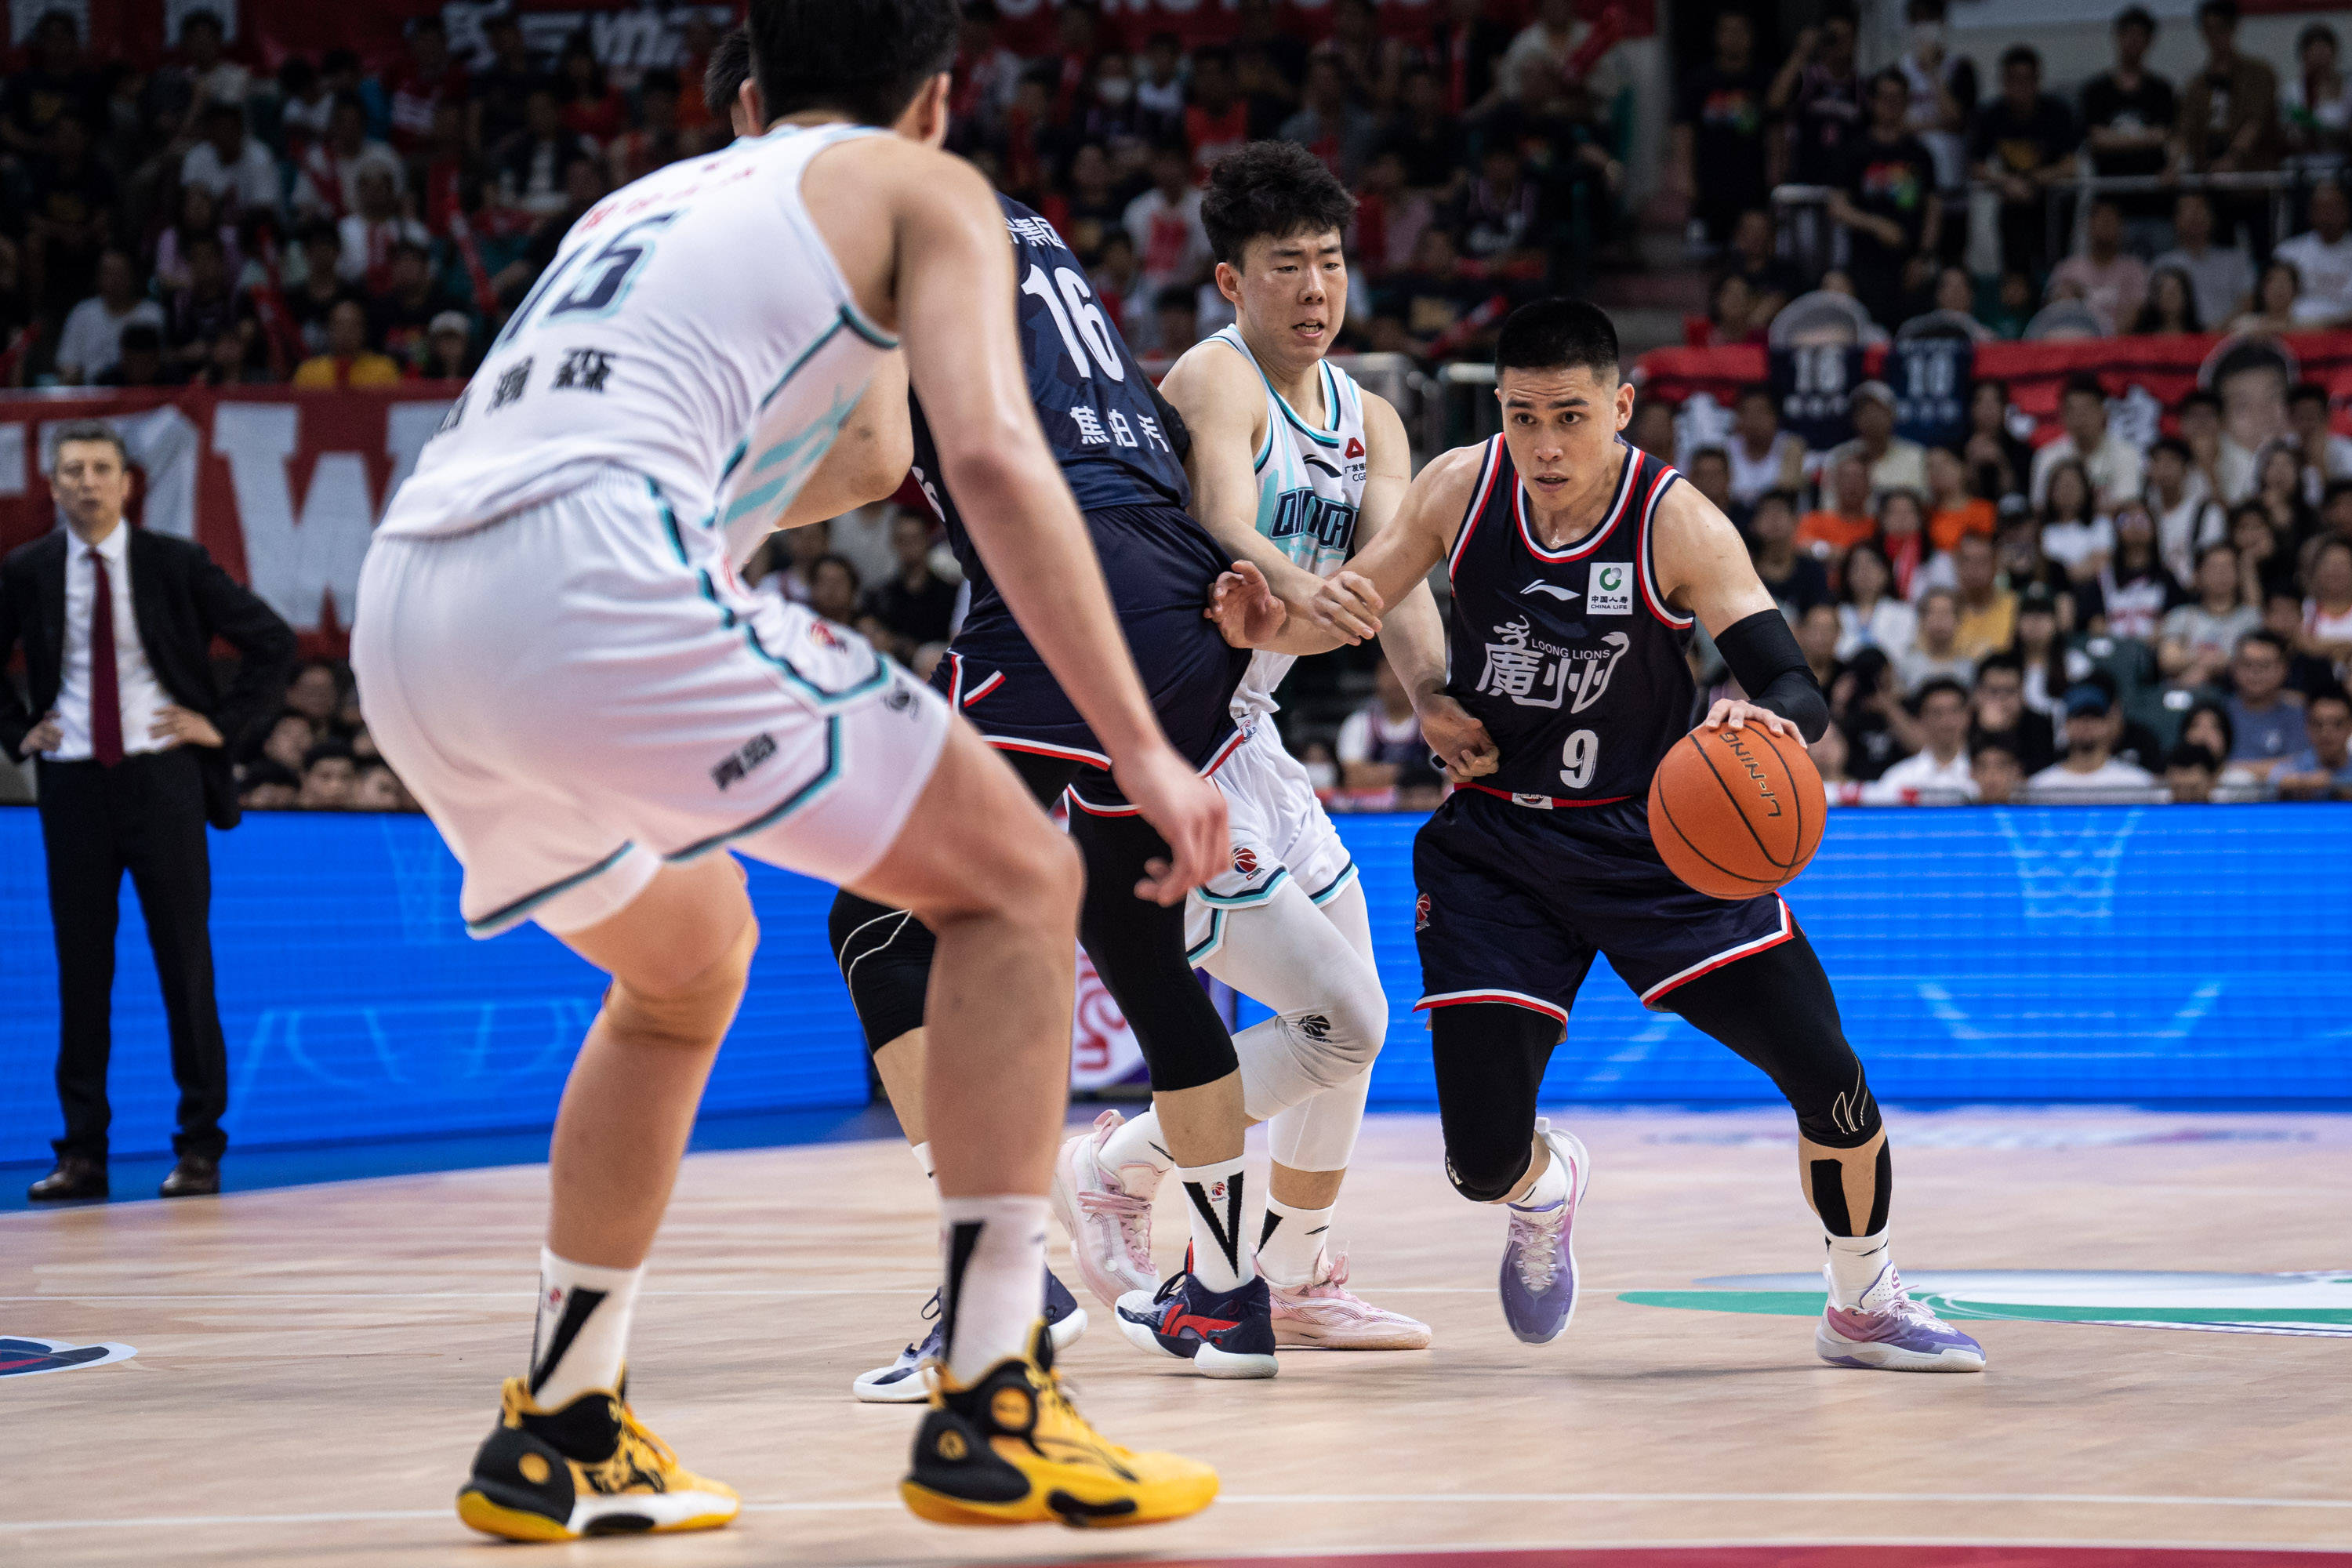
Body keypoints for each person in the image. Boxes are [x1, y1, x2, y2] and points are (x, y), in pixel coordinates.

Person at [351, 0, 1224, 1537]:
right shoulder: (927, 186)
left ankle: (560, 1416)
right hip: (598, 579)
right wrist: (1142, 743)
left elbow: (867, 455)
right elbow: (993, 462)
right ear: (938, 105)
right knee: (1024, 878)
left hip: (413, 613)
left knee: (685, 973)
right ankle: (995, 1391)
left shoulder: (648, 201)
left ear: (747, 100)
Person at [1216, 296, 1984, 1373]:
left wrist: (1763, 719)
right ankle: (1548, 1183)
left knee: (1830, 1076)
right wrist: (1373, 668)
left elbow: (1793, 680)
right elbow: (1355, 603)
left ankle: (1863, 1297)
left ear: (1621, 407)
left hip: (1661, 850)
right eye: (1523, 416)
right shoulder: (1456, 488)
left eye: (1570, 415)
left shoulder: (1677, 520)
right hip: (1500, 852)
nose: (1544, 443)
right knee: (1481, 1165)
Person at [1087, 140, 1444, 1367]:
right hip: (1180, 746)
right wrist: (1312, 583)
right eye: (1286, 265)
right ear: (1232, 283)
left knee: (1361, 1020)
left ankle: (1292, 1270)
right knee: (1342, 1019)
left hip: (1262, 737)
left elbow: (1395, 580)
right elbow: (1224, 520)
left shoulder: (1375, 417)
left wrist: (1442, 704)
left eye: (1332, 262)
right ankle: (1118, 1169)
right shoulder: (1215, 375)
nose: (1316, 288)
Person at [2, 425, 295, 1203]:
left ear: (127, 483)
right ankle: (82, 1153)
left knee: (184, 965)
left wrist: (220, 727)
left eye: (101, 469)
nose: (88, 482)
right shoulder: (28, 570)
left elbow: (272, 641)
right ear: (54, 485)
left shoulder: (175, 562)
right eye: (73, 471)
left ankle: (200, 1146)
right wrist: (17, 728)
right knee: (81, 973)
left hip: (163, 780)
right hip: (71, 786)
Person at [1828, 71, 1940, 328]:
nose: (1892, 105)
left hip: (1909, 267)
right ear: (1872, 101)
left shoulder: (1920, 154)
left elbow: (1933, 209)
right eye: (1885, 97)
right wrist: (1877, 225)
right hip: (1866, 264)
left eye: (1899, 98)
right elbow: (1837, 207)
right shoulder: (1854, 151)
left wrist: (1924, 256)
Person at [1969, 45, 2077, 280]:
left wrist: (2031, 181)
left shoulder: (2057, 113)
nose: (2021, 87)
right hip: (2012, 209)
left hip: (2052, 212)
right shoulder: (1991, 115)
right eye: (2014, 80)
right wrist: (2007, 183)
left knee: (2054, 277)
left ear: (2037, 80)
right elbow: (1976, 168)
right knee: (2015, 280)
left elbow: (2070, 166)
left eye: (2027, 79)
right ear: (2004, 81)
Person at [2080, 7, 2177, 256]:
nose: (2133, 43)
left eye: (2140, 36)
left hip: (2155, 206)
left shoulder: (2161, 90)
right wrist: (2147, 138)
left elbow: (2167, 136)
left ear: (2149, 41)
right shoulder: (2097, 91)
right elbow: (2096, 140)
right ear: (2118, 37)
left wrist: (2117, 139)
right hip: (2111, 206)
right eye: (2128, 35)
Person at [1672, 9, 1772, 251]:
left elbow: (1776, 131)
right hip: (1710, 181)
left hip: (1752, 182)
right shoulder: (1699, 82)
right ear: (1716, 36)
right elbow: (1685, 130)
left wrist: (1774, 174)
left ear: (1752, 37)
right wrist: (1685, 175)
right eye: (1727, 31)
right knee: (1708, 252)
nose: (1734, 37)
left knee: (1751, 251)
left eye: (1740, 31)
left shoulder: (1764, 81)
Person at [2031, 374, 2144, 513]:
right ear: (2062, 416)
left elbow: (2129, 505)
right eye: (2072, 411)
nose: (2080, 418)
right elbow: (2039, 507)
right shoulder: (2048, 456)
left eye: (2087, 409)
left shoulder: (2127, 453)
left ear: (2104, 413)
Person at [56, 249, 165, 387]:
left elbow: (161, 362)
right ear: (98, 277)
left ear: (132, 275)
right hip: (92, 395)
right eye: (108, 273)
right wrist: (72, 377)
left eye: (119, 273)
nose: (114, 280)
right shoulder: (83, 312)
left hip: (140, 394)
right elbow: (67, 363)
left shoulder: (152, 313)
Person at [2027, 682, 2158, 795]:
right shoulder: (2041, 786)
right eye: (2078, 716)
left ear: (2107, 723)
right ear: (2066, 725)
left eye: (2094, 716)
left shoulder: (2137, 784)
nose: (2086, 723)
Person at [2153, 192, 2255, 330]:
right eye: (2188, 210)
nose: (2194, 216)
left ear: (2212, 217)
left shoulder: (2236, 260)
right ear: (2176, 219)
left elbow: (2248, 302)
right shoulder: (2163, 264)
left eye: (2200, 209)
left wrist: (2218, 330)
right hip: (2181, 340)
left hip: (2226, 337)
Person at [2047, 199, 2149, 334]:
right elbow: (2053, 313)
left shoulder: (2134, 269)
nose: (2105, 225)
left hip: (2121, 346)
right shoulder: (2068, 269)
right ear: (2088, 226)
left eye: (2111, 219)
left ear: (2121, 227)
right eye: (2100, 219)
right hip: (2078, 343)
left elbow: (2136, 311)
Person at [1871, 677, 1975, 800]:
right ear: (1921, 719)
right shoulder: (1898, 779)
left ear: (1968, 716)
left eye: (1954, 711)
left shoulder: (1987, 777)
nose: (1947, 722)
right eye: (1937, 713)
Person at [2223, 630, 2309, 776]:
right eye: (2247, 664)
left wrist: (2233, 770)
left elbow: (2302, 766)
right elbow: (2208, 769)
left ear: (2284, 669)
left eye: (2264, 665)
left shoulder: (2301, 714)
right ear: (2234, 667)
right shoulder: (2218, 712)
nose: (2255, 672)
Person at [1826, 380, 1927, 501]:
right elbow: (1830, 509)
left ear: (1892, 414)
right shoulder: (1838, 457)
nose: (1871, 417)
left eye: (1877, 410)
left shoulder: (1916, 457)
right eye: (1864, 411)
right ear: (1854, 419)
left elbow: (1925, 507)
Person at [1337, 659, 1428, 788]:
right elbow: (1353, 778)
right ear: (1377, 677)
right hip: (1370, 807)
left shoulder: (1430, 723)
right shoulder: (1359, 722)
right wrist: (1410, 774)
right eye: (1388, 671)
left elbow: (1440, 778)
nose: (1395, 679)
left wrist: (1374, 774)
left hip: (1421, 806)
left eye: (1402, 670)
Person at [2274, 177, 2352, 326]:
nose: (2327, 215)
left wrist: (2331, 324)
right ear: (2310, 212)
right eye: (2321, 208)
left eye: (2333, 208)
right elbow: (2273, 301)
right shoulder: (2288, 252)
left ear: (2347, 210)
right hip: (2298, 332)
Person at [1969, 652, 2056, 772]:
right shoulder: (1964, 723)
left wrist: (1999, 734)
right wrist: (1986, 733)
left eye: (2010, 691)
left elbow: (2037, 776)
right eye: (1994, 691)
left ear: (2022, 693)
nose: (2002, 699)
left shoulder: (2040, 725)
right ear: (1978, 694)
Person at [1750, 489, 1831, 617]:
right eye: (1767, 513)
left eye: (1780, 511)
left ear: (1796, 521)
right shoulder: (1745, 571)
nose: (1774, 519)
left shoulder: (1813, 572)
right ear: (1754, 524)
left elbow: (1818, 620)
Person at [1726, 384, 1806, 508]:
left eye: (1760, 412)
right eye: (1747, 412)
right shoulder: (1726, 448)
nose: (1753, 419)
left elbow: (1787, 492)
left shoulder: (1791, 447)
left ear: (1775, 416)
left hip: (1774, 518)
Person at [1836, 540, 1918, 660]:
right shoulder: (1836, 613)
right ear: (1847, 575)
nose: (1864, 572)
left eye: (1872, 565)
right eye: (1857, 566)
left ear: (1886, 573)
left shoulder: (1905, 613)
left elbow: (1903, 654)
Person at [2275, 684, 2352, 797]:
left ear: (2350, 726)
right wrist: (2297, 784)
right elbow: (2275, 781)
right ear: (2307, 727)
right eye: (2318, 724)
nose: (2326, 733)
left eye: (2337, 724)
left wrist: (2335, 785)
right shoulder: (2291, 769)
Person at [1950, 532, 2016, 660]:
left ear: (1995, 566)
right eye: (1966, 561)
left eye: (1982, 561)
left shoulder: (2014, 606)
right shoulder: (1943, 609)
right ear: (1956, 566)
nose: (1973, 569)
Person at [1799, 452, 1876, 562]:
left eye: (1858, 478)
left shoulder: (1877, 526)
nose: (1852, 484)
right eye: (1846, 477)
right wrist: (1833, 552)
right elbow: (1802, 546)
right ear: (1835, 484)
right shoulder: (1814, 520)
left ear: (1869, 486)